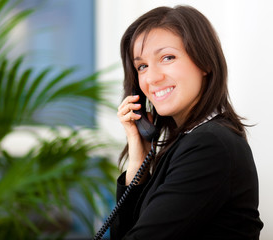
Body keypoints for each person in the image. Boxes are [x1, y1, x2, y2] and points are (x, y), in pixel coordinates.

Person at [111, 5, 263, 240]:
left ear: (205, 63)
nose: (152, 77)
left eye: (167, 57)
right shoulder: (187, 141)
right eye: (142, 66)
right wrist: (138, 159)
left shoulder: (209, 145)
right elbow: (127, 231)